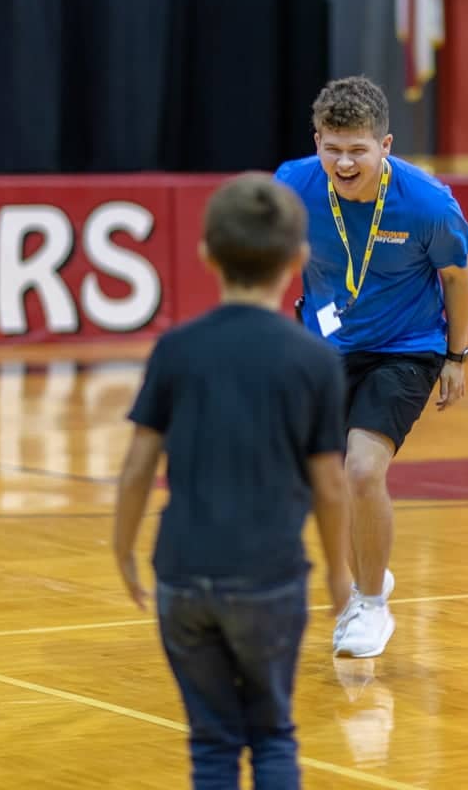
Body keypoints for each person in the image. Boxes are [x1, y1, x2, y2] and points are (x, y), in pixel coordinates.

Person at [113, 173, 353, 789]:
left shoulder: (177, 348)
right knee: (272, 734)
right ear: (300, 261)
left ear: (206, 255)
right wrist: (341, 574)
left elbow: (139, 464)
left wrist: (123, 548)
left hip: (184, 575)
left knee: (213, 743)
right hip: (269, 579)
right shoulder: (316, 360)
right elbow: (330, 485)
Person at [276, 76, 468, 659]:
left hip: (406, 347)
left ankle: (370, 604)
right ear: (317, 141)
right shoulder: (292, 185)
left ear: (384, 146)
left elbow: (459, 277)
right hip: (324, 349)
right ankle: (371, 573)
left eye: (357, 150)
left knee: (364, 468)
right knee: (330, 481)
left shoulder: (427, 203)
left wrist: (455, 356)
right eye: (332, 147)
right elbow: (271, 254)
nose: (344, 162)